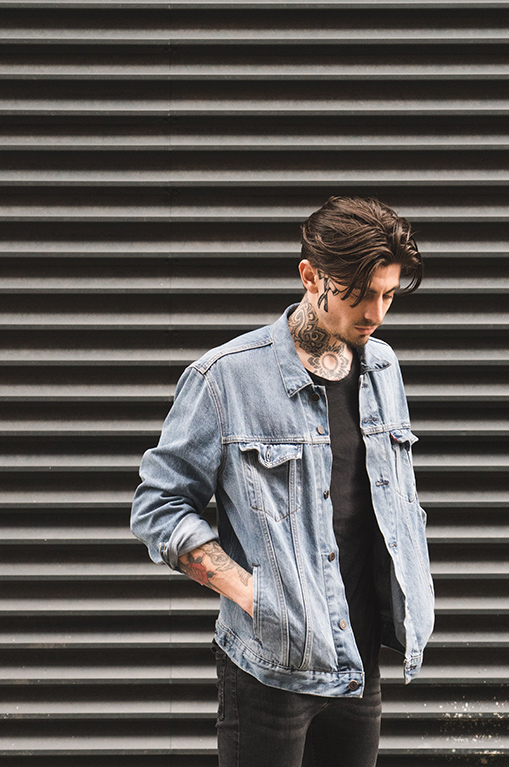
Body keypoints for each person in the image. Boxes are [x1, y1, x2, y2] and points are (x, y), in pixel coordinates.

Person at [131, 195, 434, 767]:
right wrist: (255, 596)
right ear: (310, 276)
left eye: (388, 295)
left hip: (359, 663)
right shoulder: (226, 378)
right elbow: (158, 507)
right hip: (269, 671)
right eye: (359, 293)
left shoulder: (383, 369)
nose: (375, 313)